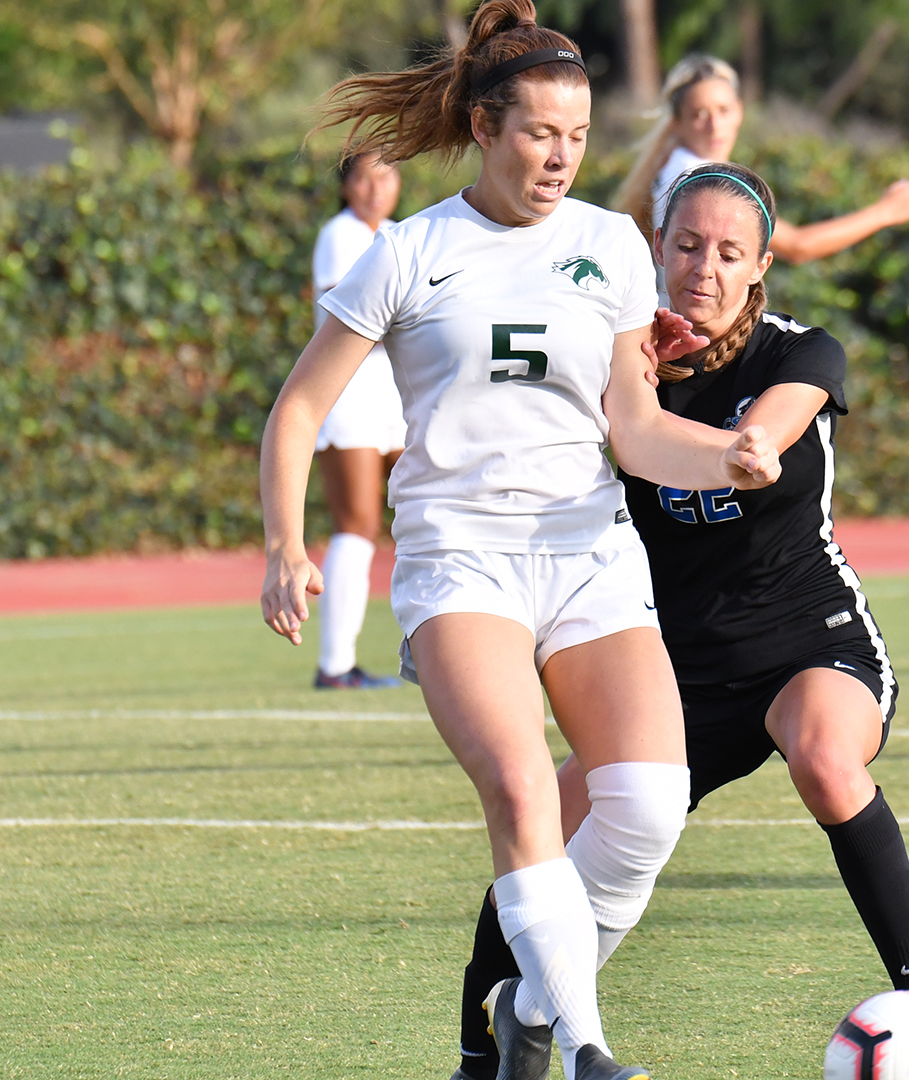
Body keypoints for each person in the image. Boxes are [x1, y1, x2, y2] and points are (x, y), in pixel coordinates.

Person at [258, 4, 783, 1079]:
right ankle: (585, 1046)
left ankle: (530, 1001)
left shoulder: (607, 247)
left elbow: (634, 430)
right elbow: (297, 411)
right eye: (540, 133)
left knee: (644, 804)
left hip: (589, 553)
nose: (560, 157)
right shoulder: (410, 253)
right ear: (488, 128)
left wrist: (726, 454)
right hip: (461, 560)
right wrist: (284, 543)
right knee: (522, 789)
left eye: (579, 137)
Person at [450, 163, 909, 1080]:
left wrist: (746, 445)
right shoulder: (615, 370)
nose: (705, 267)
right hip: (677, 665)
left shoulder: (801, 352)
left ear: (762, 263)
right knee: (549, 816)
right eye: (687, 244)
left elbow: (770, 430)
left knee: (822, 754)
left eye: (730, 252)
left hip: (811, 635)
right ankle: (484, 1044)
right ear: (656, 248)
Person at [611, 54, 909, 261]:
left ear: (739, 112)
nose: (714, 125)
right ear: (677, 124)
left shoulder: (678, 167)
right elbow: (799, 246)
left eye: (723, 110)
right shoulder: (700, 178)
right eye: (698, 114)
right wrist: (886, 212)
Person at [310, 152, 408, 689]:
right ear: (347, 185)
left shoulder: (400, 234)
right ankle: (335, 666)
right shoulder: (339, 234)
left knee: (427, 507)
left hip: (396, 397)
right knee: (358, 524)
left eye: (387, 175)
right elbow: (343, 311)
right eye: (364, 177)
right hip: (347, 395)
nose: (376, 188)